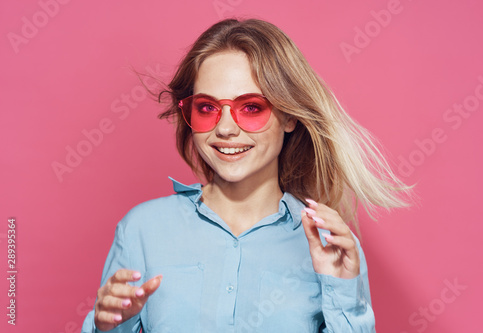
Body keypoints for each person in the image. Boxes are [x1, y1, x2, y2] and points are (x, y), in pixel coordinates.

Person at [82, 18, 412, 333]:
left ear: (289, 116)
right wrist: (108, 326)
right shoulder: (143, 230)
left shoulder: (331, 247)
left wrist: (343, 295)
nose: (225, 128)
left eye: (251, 107)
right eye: (207, 108)